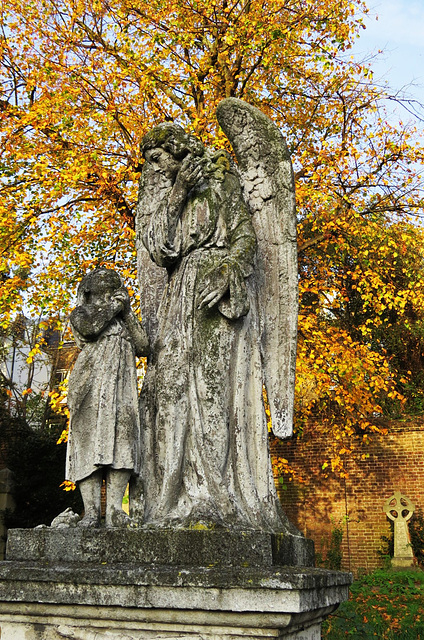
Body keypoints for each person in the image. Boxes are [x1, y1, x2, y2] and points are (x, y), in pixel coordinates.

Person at [138, 123, 288, 529]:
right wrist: (177, 193)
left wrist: (229, 270)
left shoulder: (222, 180)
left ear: (177, 150)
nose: (154, 170)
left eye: (158, 160)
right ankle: (166, 500)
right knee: (168, 390)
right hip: (177, 297)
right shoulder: (169, 192)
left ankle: (211, 497)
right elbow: (157, 249)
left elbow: (246, 239)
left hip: (215, 291)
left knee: (211, 392)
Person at [66, 268, 149, 527]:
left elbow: (144, 346)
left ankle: (114, 510)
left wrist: (127, 313)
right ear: (89, 289)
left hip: (122, 392)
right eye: (103, 282)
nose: (111, 285)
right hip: (90, 385)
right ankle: (90, 511)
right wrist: (114, 308)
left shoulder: (122, 320)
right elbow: (90, 329)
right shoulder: (82, 313)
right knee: (89, 443)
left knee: (123, 442)